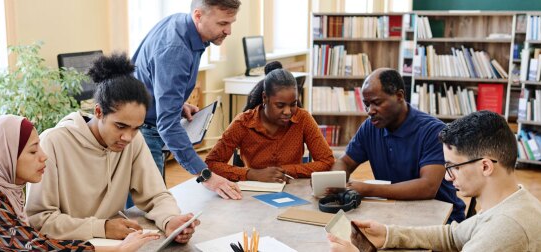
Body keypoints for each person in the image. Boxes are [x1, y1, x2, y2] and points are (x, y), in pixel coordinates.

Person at [25, 53, 199, 243]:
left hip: (113, 243)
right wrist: (102, 227)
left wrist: (170, 220)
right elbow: (39, 220)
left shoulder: (133, 140)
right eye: (120, 126)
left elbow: (156, 195)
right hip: (68, 245)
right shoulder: (52, 143)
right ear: (98, 112)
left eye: (136, 128)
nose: (128, 137)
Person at [327, 111, 541, 251]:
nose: (447, 176)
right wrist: (388, 234)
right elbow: (453, 235)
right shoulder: (511, 201)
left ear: (485, 166)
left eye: (453, 167)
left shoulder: (505, 229)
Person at [0, 115, 158, 251]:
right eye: (33, 151)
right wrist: (117, 250)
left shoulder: (2, 189)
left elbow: (33, 241)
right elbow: (36, 247)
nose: (44, 156)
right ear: (5, 157)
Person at [131, 0, 242, 199]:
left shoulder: (181, 24)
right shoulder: (176, 50)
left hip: (143, 121)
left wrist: (175, 104)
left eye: (231, 23)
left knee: (154, 204)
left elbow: (150, 76)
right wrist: (206, 175)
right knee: (150, 206)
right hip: (141, 131)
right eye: (222, 23)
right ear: (198, 15)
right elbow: (167, 124)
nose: (229, 31)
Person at [329, 68, 465, 223]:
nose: (370, 111)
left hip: (441, 219)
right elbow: (345, 162)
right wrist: (334, 180)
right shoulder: (370, 127)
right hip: (394, 212)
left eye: (377, 103)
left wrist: (368, 189)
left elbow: (428, 187)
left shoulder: (433, 131)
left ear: (399, 96)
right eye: (367, 104)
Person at [205, 62, 334, 182]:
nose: (288, 111)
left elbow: (327, 162)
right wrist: (252, 174)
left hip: (293, 188)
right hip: (253, 191)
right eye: (280, 105)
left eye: (293, 104)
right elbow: (211, 163)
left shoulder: (303, 119)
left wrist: (285, 171)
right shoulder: (243, 123)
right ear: (265, 98)